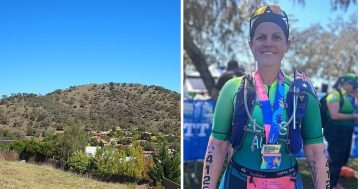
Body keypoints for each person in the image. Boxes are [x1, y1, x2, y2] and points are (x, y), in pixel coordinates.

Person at [201, 5, 329, 189]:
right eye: (261, 37)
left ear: (287, 45)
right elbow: (217, 146)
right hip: (238, 181)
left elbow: (316, 152)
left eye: (276, 37)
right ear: (251, 44)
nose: (268, 43)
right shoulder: (232, 88)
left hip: (288, 182)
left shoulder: (302, 93)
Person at [323, 74, 357, 189]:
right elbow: (334, 115)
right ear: (346, 84)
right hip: (336, 134)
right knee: (335, 160)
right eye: (354, 85)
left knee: (341, 159)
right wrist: (355, 117)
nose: (356, 88)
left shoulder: (349, 96)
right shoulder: (334, 95)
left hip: (345, 134)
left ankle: (334, 183)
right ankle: (330, 185)